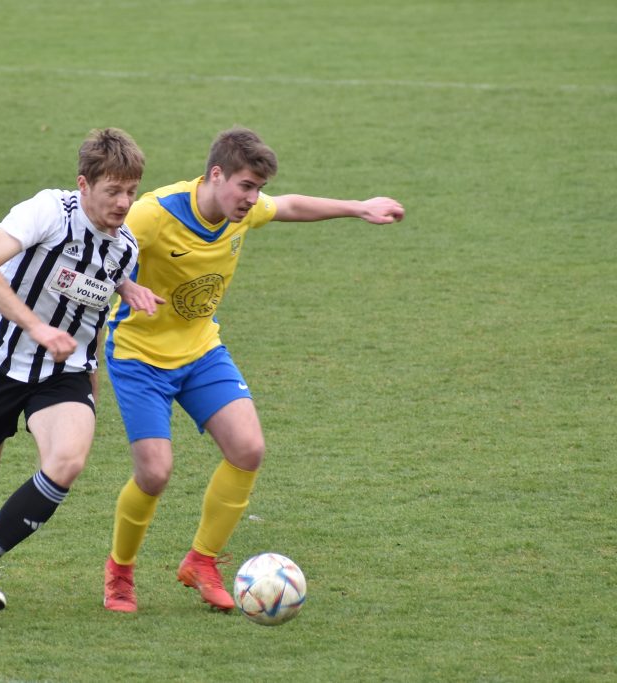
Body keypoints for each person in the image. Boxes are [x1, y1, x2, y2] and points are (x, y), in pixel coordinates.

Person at [102, 127, 405, 613]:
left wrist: (358, 207)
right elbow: (95, 247)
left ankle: (201, 562)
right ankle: (120, 573)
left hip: (201, 350)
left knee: (248, 449)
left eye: (258, 188)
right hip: (140, 357)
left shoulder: (242, 211)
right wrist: (125, 287)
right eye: (245, 186)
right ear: (215, 175)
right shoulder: (153, 214)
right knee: (154, 473)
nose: (252, 198)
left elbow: (290, 205)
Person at [0, 128, 164, 611]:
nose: (123, 203)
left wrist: (92, 386)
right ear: (84, 184)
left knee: (67, 460)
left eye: (131, 192)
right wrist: (37, 327)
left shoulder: (125, 248)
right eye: (113, 190)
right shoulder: (48, 211)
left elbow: (91, 313)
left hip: (62, 373)